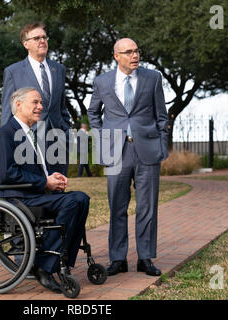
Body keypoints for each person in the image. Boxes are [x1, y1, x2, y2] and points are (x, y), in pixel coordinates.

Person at [0, 87, 90, 293]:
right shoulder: (5, 134)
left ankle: (61, 263)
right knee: (73, 201)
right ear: (18, 104)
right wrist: (44, 182)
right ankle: (45, 266)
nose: (41, 107)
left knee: (82, 199)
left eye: (41, 103)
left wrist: (52, 177)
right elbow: (7, 174)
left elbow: (36, 170)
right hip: (18, 198)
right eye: (35, 102)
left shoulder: (30, 134)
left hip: (34, 194)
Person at [87, 38, 169, 277]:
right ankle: (118, 259)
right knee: (117, 207)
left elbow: (161, 116)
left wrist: (162, 146)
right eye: (129, 52)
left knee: (147, 207)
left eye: (137, 51)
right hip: (116, 152)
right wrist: (102, 138)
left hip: (148, 150)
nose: (135, 56)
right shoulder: (102, 82)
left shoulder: (152, 78)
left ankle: (145, 258)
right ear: (116, 56)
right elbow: (93, 112)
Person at [1, 22, 71, 176]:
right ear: (26, 44)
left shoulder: (59, 69)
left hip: (59, 140)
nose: (42, 41)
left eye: (44, 37)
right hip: (28, 140)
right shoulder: (13, 72)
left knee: (59, 188)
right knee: (35, 189)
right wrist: (6, 142)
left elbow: (61, 106)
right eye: (37, 38)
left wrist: (67, 130)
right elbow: (8, 110)